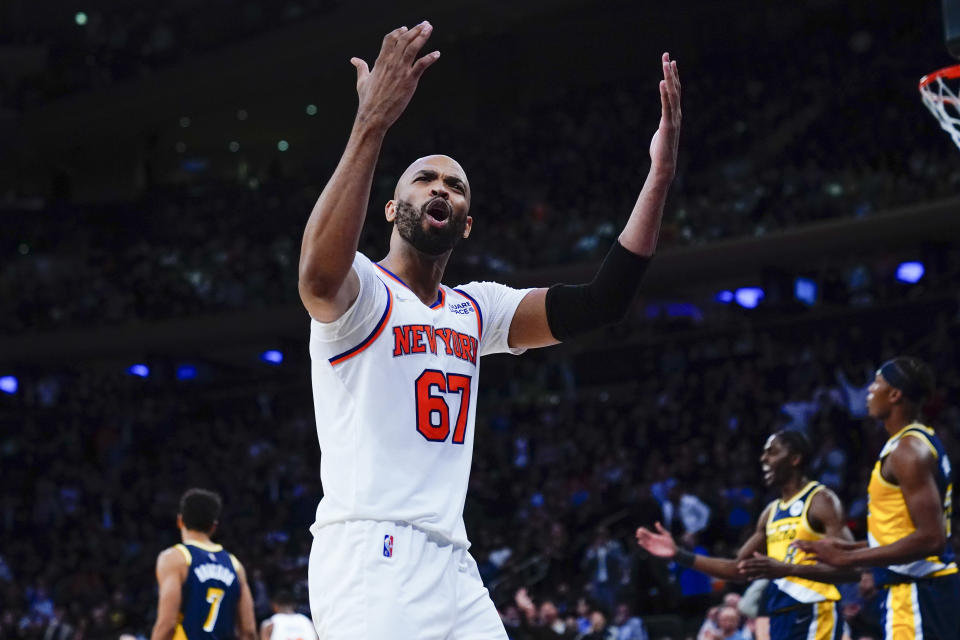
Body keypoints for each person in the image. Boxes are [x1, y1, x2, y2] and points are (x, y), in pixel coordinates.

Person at [297, 20, 681, 640]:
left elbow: (603, 302)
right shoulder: (363, 291)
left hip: (453, 561)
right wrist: (372, 125)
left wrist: (659, 177)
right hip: (373, 553)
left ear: (467, 224)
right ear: (393, 210)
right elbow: (315, 275)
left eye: (454, 185)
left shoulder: (476, 309)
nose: (440, 188)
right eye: (425, 180)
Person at [793, 357, 959, 640]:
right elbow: (905, 532)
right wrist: (848, 549)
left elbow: (932, 539)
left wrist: (850, 558)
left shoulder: (908, 450)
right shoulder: (915, 442)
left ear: (895, 395)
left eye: (877, 384)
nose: (869, 390)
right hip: (916, 592)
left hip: (918, 593)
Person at [636, 430, 855, 640]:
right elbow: (736, 569)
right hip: (779, 615)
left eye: (772, 452)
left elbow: (851, 570)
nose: (763, 458)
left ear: (795, 459)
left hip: (815, 610)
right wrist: (678, 554)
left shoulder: (821, 501)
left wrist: (789, 569)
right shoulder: (770, 513)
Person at [150, 489, 256, 640]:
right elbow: (249, 630)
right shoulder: (235, 565)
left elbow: (167, 624)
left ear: (180, 521)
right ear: (213, 526)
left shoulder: (175, 558)